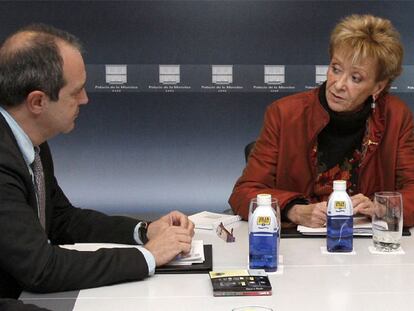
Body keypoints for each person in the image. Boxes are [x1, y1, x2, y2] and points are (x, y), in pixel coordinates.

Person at [0, 24, 194, 299]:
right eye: (75, 92)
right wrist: (147, 257)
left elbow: (61, 219)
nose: (85, 99)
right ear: (37, 102)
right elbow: (41, 269)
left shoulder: (31, 141)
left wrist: (145, 231)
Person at [229, 14, 414, 228]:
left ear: (377, 87)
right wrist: (293, 210)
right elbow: (243, 193)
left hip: (364, 244)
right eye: (336, 69)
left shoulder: (396, 116)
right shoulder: (284, 114)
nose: (338, 85)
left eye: (355, 78)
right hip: (299, 244)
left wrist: (380, 208)